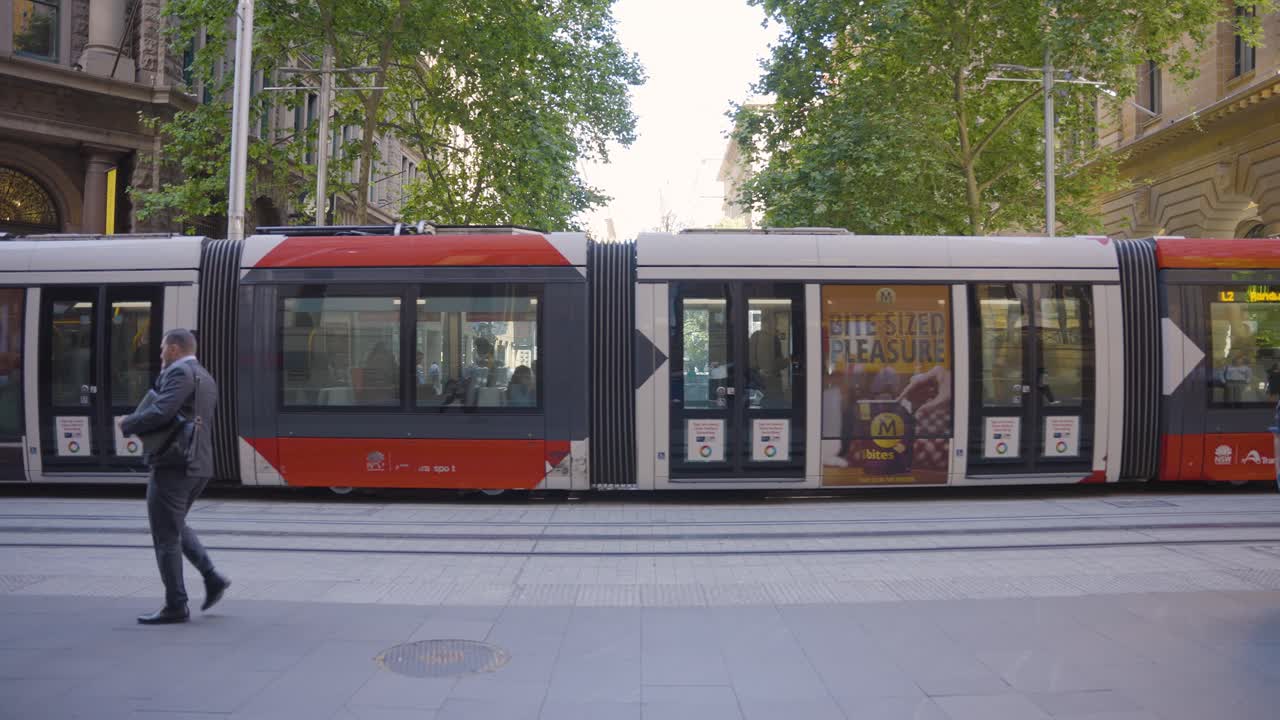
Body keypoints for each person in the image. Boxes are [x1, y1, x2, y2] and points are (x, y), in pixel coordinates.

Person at [120, 329, 228, 624]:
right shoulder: (205, 375)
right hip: (198, 464)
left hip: (174, 464)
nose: (161, 354)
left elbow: (162, 411)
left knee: (165, 535)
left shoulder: (180, 373)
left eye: (163, 348)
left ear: (176, 348)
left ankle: (176, 605)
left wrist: (130, 423)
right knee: (175, 524)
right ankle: (211, 577)